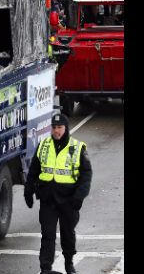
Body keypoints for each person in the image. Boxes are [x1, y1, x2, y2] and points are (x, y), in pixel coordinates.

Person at [24, 113, 92, 274]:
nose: (56, 131)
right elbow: (33, 170)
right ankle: (45, 268)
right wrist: (28, 190)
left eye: (60, 128)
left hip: (69, 200)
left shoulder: (77, 148)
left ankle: (69, 263)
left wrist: (79, 196)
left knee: (68, 234)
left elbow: (86, 175)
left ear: (66, 128)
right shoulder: (44, 145)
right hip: (48, 199)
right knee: (47, 235)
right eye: (54, 128)